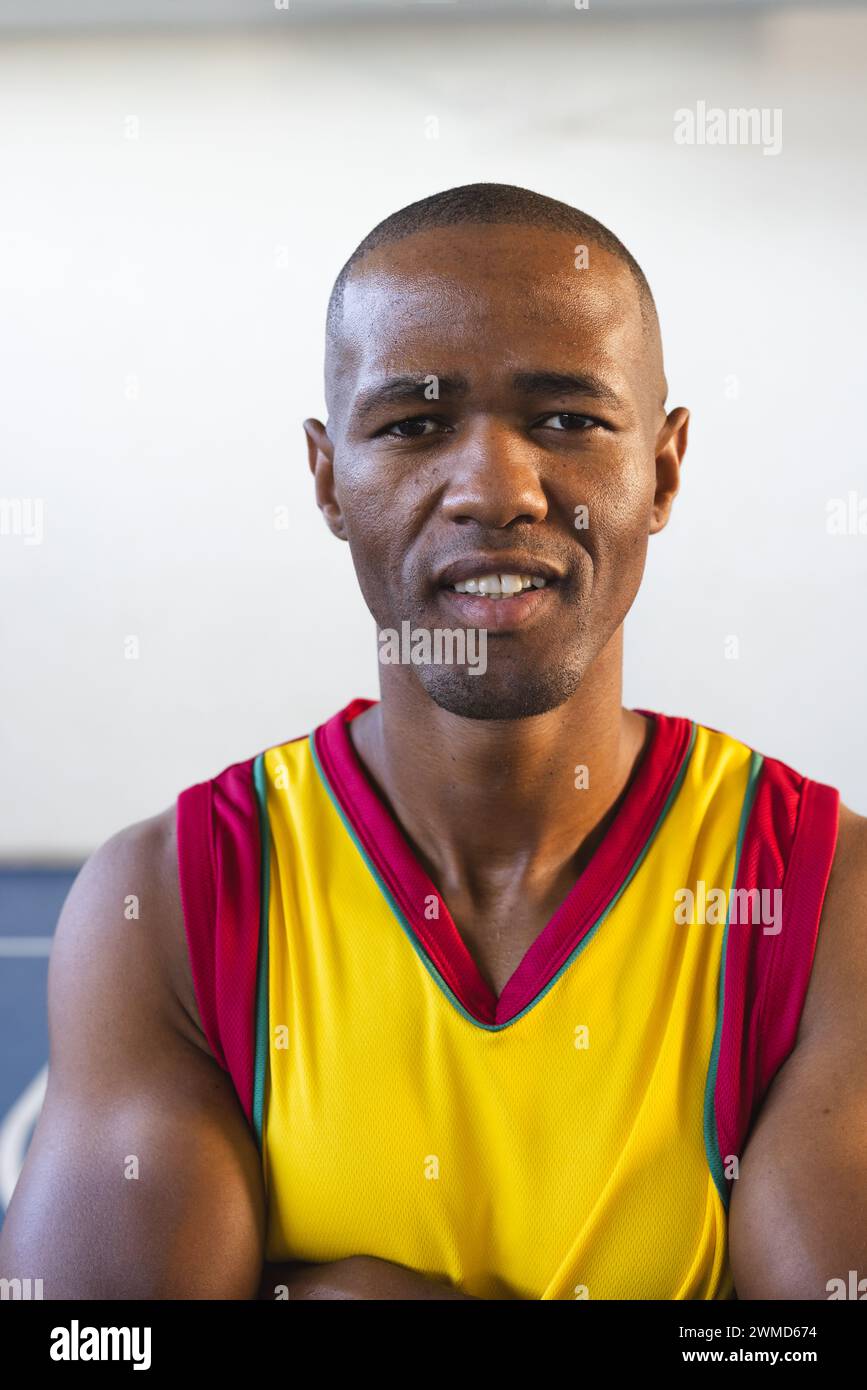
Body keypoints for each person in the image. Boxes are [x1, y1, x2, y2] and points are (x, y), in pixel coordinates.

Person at [2, 183, 865, 1300]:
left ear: (662, 466)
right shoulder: (171, 905)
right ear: (328, 479)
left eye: (567, 419)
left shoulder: (820, 897)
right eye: (414, 424)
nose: (496, 490)